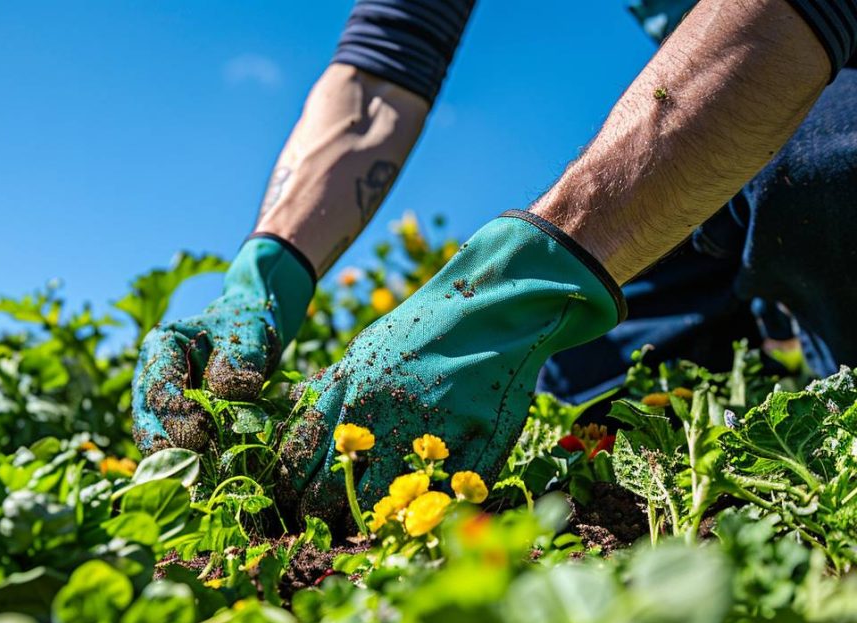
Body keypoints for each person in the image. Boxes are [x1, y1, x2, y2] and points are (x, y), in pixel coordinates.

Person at [131, 0, 857, 523]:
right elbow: (381, 71)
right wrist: (266, 274)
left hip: (818, 63)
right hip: (736, 88)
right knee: (589, 367)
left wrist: (527, 271)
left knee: (814, 172)